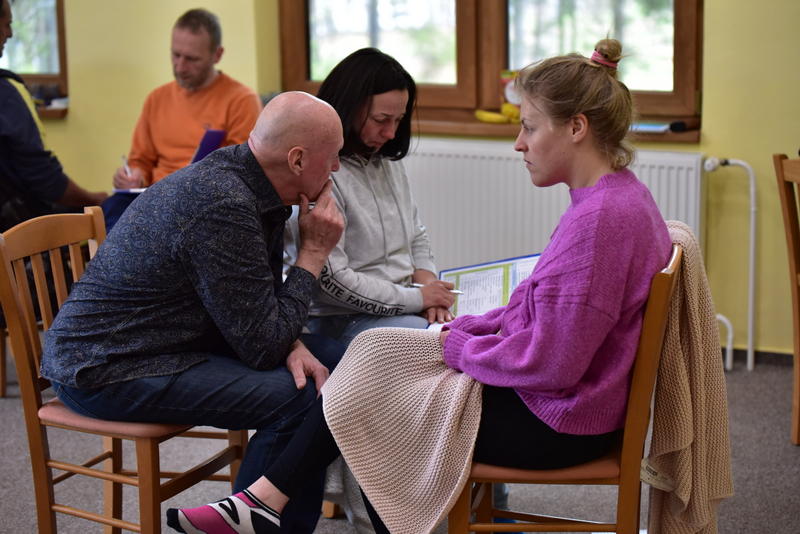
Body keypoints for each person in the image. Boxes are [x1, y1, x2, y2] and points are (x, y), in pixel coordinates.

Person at [167, 38, 672, 534]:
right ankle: (263, 503)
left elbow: (554, 363)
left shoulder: (598, 222)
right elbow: (546, 323)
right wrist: (470, 330)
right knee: (375, 362)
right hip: (569, 406)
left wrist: (457, 345)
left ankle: (263, 504)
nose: (519, 142)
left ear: (577, 128)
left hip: (561, 420)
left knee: (378, 405)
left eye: (529, 126)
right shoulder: (615, 200)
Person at [40, 91, 346, 532]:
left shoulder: (254, 183)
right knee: (301, 398)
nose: (336, 168)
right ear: (297, 159)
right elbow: (262, 346)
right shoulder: (224, 203)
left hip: (171, 341)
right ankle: (254, 520)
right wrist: (313, 253)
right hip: (108, 366)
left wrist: (292, 341)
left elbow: (255, 305)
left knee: (339, 362)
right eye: (333, 156)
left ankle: (260, 513)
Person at [284, 48, 456, 349]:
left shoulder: (386, 162)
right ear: (349, 108)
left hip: (402, 303)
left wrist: (429, 286)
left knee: (476, 331)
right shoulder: (320, 174)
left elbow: (416, 234)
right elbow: (333, 282)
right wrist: (418, 299)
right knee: (449, 346)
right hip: (342, 317)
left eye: (399, 120)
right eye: (381, 119)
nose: (391, 133)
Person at [112, 8, 261, 190]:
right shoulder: (156, 99)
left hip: (207, 194)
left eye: (192, 59)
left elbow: (242, 171)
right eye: (176, 55)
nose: (180, 67)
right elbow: (140, 162)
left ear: (217, 55)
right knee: (110, 205)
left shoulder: (241, 101)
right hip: (154, 195)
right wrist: (134, 177)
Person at [0, 0, 107, 232]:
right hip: (16, 232)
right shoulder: (7, 93)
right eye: (6, 24)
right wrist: (94, 200)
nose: (10, 33)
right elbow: (45, 179)